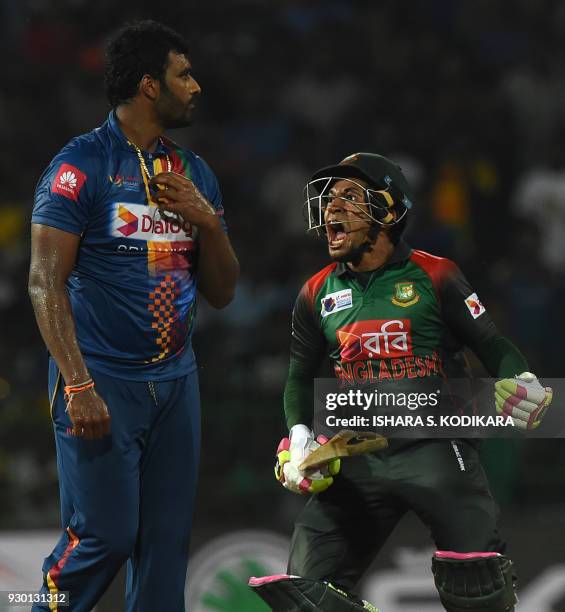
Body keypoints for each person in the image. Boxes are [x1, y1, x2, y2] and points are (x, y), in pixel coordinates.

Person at [251, 153, 552, 611]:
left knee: (479, 588)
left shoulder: (436, 275)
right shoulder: (315, 293)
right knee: (304, 598)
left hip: (436, 448)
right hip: (359, 455)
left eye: (350, 197)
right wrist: (299, 439)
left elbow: (494, 345)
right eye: (329, 199)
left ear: (388, 212)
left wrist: (522, 380)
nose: (332, 208)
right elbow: (298, 377)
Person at [28, 20, 239, 612]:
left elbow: (221, 292)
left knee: (165, 546)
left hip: (177, 381)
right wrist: (78, 382)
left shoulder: (194, 174)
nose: (195, 86)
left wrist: (209, 222)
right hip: (101, 378)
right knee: (104, 538)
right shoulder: (81, 166)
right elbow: (45, 281)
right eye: (183, 74)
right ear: (150, 85)